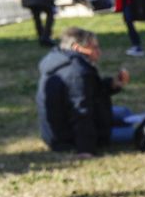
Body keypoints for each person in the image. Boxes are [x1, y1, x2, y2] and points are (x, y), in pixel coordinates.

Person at [36, 27, 139, 156]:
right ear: (77, 48)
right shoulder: (78, 72)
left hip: (56, 132)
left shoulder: (59, 60)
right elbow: (80, 112)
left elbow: (90, 92)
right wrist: (86, 149)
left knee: (125, 112)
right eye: (94, 48)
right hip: (68, 138)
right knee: (139, 130)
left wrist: (112, 85)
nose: (99, 52)